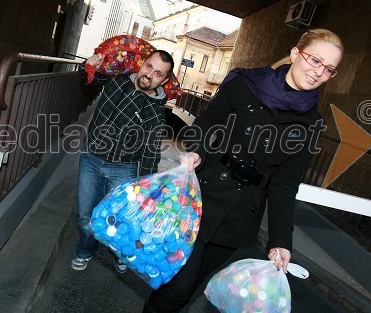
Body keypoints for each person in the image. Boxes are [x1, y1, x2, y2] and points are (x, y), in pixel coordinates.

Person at [144, 29, 344, 312]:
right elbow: (206, 121)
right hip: (203, 198)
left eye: (329, 69)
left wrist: (280, 242)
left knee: (186, 292)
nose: (318, 72)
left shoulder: (313, 123)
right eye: (314, 60)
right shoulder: (245, 84)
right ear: (295, 54)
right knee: (178, 288)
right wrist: (197, 150)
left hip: (240, 218)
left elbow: (285, 185)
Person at [71, 50, 175, 273]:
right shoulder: (117, 78)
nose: (149, 75)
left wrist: (147, 187)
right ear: (142, 63)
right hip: (91, 159)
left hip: (123, 169)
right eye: (149, 66)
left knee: (119, 221)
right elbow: (88, 79)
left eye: (158, 74)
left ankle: (118, 253)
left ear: (163, 81)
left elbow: (150, 149)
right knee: (84, 215)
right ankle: (86, 251)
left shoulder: (156, 109)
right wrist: (88, 64)